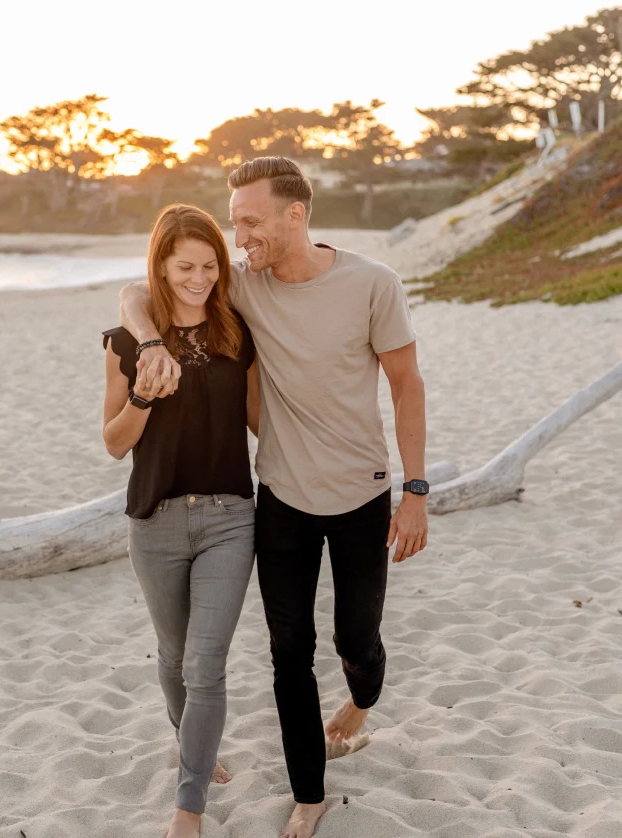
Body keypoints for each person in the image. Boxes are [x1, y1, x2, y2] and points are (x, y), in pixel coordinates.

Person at [119, 157, 428, 838]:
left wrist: (416, 489)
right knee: (289, 651)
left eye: (251, 221)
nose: (240, 237)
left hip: (363, 495)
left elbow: (407, 385)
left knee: (358, 641)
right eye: (236, 223)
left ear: (296, 214)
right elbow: (141, 293)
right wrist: (145, 342)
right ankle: (309, 792)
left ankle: (363, 700)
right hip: (282, 498)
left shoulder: (373, 283)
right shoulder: (246, 288)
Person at [102, 204, 259, 838]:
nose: (199, 277)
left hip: (229, 517)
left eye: (209, 265)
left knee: (205, 662)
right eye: (185, 266)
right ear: (161, 270)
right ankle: (192, 744)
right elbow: (114, 443)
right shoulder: (126, 339)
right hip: (155, 519)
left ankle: (187, 807)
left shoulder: (237, 334)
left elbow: (260, 423)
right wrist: (143, 388)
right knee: (172, 655)